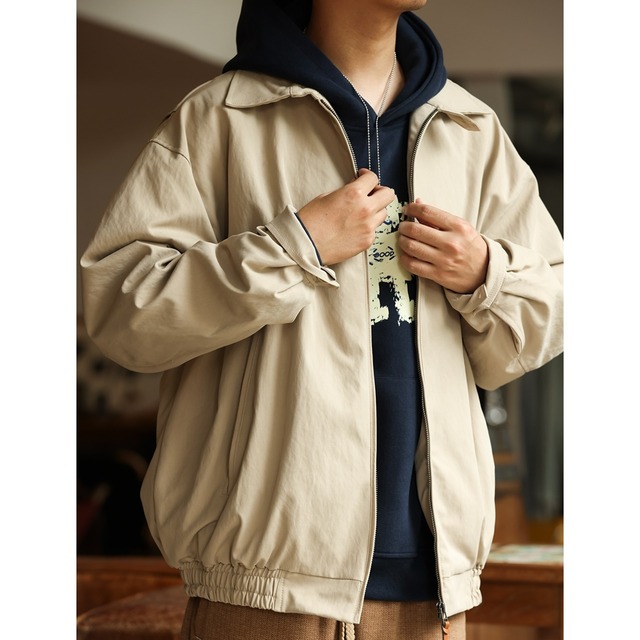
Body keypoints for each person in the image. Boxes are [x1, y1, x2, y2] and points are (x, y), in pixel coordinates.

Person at [80, 0, 564, 638]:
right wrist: (294, 247)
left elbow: (551, 312)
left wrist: (484, 273)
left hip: (436, 595)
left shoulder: (471, 130)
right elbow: (122, 310)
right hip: (265, 590)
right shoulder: (220, 117)